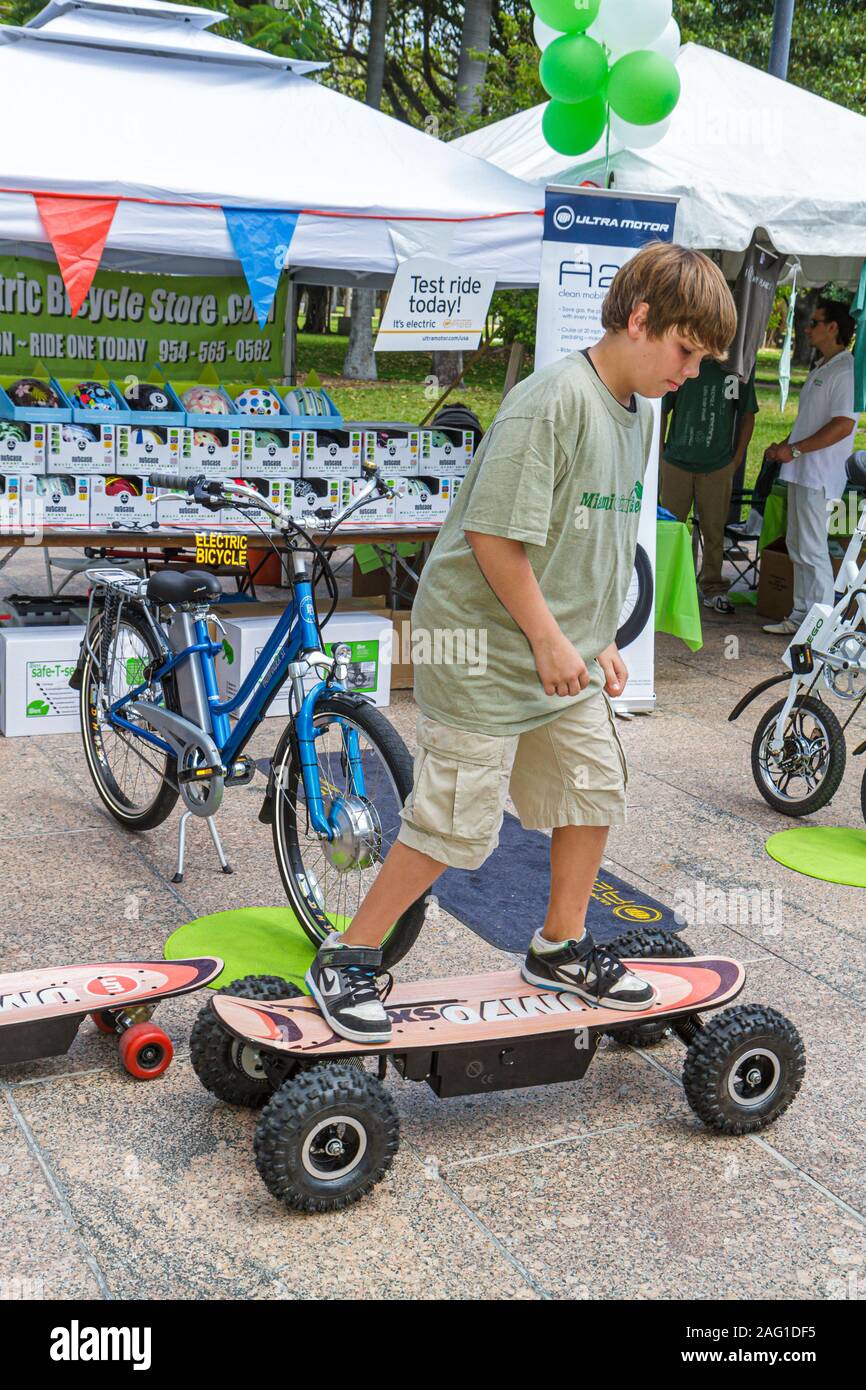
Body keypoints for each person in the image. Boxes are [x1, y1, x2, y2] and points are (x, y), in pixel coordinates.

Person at [306, 242, 737, 1044]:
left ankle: (559, 946)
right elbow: (495, 539)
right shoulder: (552, 402)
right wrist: (547, 637)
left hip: (555, 641)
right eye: (685, 351)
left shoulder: (641, 413)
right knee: (459, 820)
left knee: (590, 784)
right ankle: (349, 957)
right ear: (640, 320)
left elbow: (596, 537)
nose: (690, 373)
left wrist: (598, 635)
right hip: (480, 639)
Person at [762, 298, 858, 636]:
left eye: (814, 322)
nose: (807, 328)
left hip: (819, 476)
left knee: (813, 548)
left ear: (833, 328)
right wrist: (786, 447)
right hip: (801, 471)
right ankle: (803, 615)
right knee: (798, 544)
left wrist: (796, 450)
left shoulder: (845, 370)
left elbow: (844, 425)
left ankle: (822, 624)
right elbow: (810, 421)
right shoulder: (824, 365)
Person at [660, 358, 758, 613]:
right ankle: (663, 589)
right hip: (677, 462)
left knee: (714, 533)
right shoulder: (684, 358)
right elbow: (662, 406)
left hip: (716, 465)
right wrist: (661, 453)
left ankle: (713, 589)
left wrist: (735, 459)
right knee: (670, 529)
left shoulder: (736, 366)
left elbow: (748, 413)